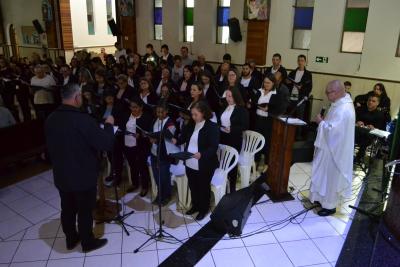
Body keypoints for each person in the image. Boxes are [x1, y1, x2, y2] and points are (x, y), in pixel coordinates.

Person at [45, 83, 115, 252]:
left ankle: (70, 239)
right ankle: (87, 242)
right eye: (81, 97)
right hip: (83, 175)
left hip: (61, 174)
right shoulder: (83, 120)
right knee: (85, 209)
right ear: (76, 97)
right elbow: (106, 143)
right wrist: (109, 125)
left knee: (67, 207)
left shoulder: (51, 118)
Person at [310, 80, 355, 216]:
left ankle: (330, 206)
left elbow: (334, 131)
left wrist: (321, 122)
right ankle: (320, 198)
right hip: (329, 148)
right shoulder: (339, 103)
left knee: (331, 178)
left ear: (336, 92)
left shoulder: (344, 109)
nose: (326, 95)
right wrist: (325, 123)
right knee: (324, 175)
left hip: (335, 152)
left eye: (328, 92)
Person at [173, 101, 219, 220]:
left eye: (195, 114)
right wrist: (175, 141)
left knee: (203, 187)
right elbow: (182, 138)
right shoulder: (191, 125)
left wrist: (202, 154)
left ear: (203, 113)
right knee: (193, 185)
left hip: (205, 163)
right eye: (192, 114)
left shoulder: (212, 127)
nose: (193, 117)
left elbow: (213, 147)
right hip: (190, 161)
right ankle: (195, 206)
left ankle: (203, 209)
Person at [219, 88, 249, 192]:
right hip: (223, 137)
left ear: (236, 96)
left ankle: (232, 188)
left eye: (230, 96)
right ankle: (223, 182)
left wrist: (231, 129)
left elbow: (245, 126)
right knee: (222, 161)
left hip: (234, 139)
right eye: (227, 96)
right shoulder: (225, 107)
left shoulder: (241, 109)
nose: (228, 98)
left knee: (232, 163)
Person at [251, 74, 285, 167]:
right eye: (264, 82)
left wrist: (268, 109)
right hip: (257, 119)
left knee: (267, 143)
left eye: (268, 83)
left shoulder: (277, 94)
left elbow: (280, 109)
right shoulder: (259, 91)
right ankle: (255, 162)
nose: (265, 84)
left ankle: (266, 164)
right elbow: (253, 102)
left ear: (273, 83)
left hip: (268, 121)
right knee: (256, 141)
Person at [123, 97, 153, 195]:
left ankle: (145, 186)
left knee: (142, 166)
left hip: (141, 146)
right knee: (132, 165)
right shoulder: (127, 115)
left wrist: (141, 136)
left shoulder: (146, 117)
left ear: (141, 107)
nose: (133, 109)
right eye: (131, 107)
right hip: (128, 144)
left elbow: (149, 134)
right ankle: (135, 183)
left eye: (136, 107)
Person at [149, 103, 178, 205]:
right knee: (156, 175)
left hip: (164, 154)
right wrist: (150, 137)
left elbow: (168, 135)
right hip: (154, 152)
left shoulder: (170, 123)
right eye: (158, 112)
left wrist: (155, 138)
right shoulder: (154, 120)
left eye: (162, 112)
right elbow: (151, 132)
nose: (159, 114)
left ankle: (166, 196)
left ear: (167, 111)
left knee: (164, 176)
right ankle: (160, 195)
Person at [354, 94, 386, 162]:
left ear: (377, 103)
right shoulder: (360, 109)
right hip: (357, 130)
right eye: (369, 100)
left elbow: (380, 128)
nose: (370, 102)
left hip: (369, 134)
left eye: (373, 101)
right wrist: (357, 122)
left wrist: (373, 127)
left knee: (367, 137)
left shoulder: (380, 114)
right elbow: (353, 119)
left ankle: (359, 156)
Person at [286, 54, 313, 121]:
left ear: (305, 62)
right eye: (299, 60)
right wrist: (287, 82)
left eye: (302, 60)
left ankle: (298, 131)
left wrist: (301, 88)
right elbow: (287, 83)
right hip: (291, 98)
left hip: (300, 99)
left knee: (299, 119)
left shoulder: (308, 74)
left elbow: (309, 87)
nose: (300, 62)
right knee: (290, 117)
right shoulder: (292, 72)